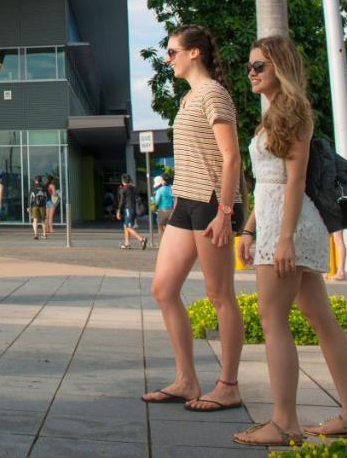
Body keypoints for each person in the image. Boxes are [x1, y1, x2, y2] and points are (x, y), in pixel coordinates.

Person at [233, 36, 347, 447]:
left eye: (260, 65)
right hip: (277, 220)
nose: (252, 72)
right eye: (250, 66)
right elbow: (267, 184)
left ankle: (285, 423)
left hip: (288, 224)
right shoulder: (273, 113)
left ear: (280, 66)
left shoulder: (293, 111)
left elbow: (293, 181)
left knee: (273, 321)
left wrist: (283, 239)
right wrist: (251, 228)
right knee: (321, 320)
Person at [143, 25, 244, 414]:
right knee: (163, 289)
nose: (169, 60)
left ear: (194, 53)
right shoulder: (189, 99)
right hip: (186, 200)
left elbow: (231, 156)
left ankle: (228, 385)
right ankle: (187, 381)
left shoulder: (213, 94)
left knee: (220, 296)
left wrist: (225, 212)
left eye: (172, 53)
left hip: (212, 202)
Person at [117, 174, 147, 250]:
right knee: (125, 226)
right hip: (134, 209)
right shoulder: (134, 188)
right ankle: (127, 244)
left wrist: (118, 211)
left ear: (123, 181)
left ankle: (141, 239)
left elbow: (121, 201)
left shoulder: (123, 189)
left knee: (128, 227)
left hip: (128, 209)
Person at [153, 175, 175, 243]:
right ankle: (171, 241)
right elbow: (174, 200)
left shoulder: (160, 190)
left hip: (162, 210)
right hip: (171, 210)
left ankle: (163, 242)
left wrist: (152, 198)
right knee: (168, 227)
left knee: (160, 227)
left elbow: (156, 201)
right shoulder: (171, 189)